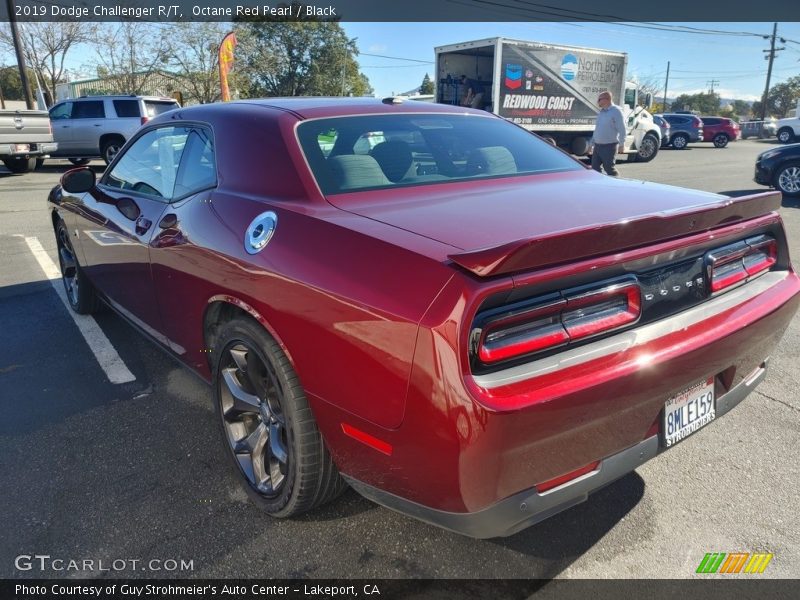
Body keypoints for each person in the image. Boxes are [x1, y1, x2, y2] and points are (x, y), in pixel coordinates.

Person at [590, 91, 627, 176]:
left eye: (600, 99)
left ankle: (617, 184)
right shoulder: (602, 112)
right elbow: (597, 129)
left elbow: (622, 129)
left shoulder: (616, 111)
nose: (598, 101)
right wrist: (591, 144)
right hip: (597, 145)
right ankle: (600, 186)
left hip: (609, 146)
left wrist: (622, 144)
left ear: (607, 99)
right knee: (594, 168)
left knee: (609, 168)